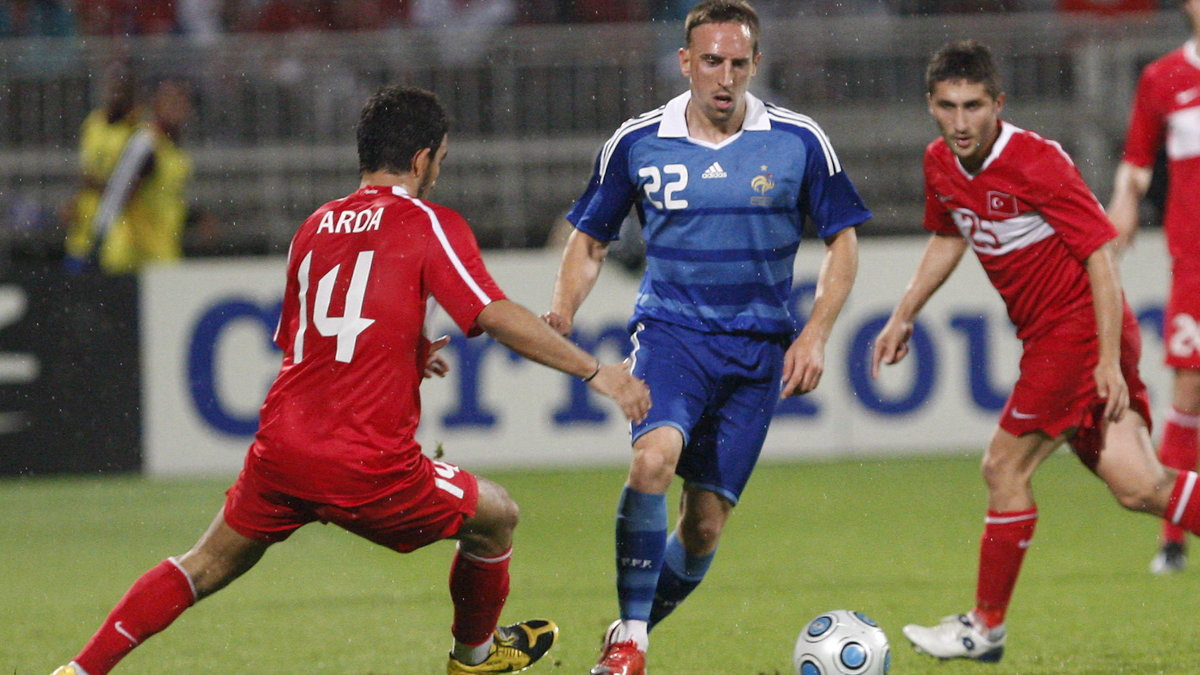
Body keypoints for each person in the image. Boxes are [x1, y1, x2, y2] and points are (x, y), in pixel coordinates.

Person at [49, 85, 651, 675]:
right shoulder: (426, 221)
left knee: (201, 565)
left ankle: (80, 669)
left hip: (282, 449)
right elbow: (492, 314)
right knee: (496, 515)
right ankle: (475, 658)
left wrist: (407, 352)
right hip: (365, 462)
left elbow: (310, 341)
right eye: (439, 159)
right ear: (422, 159)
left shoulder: (314, 227)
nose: (438, 171)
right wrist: (595, 369)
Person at [543, 2, 870, 673]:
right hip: (673, 337)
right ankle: (633, 641)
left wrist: (815, 333)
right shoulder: (638, 142)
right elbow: (590, 240)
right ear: (686, 62)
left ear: (755, 64)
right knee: (652, 459)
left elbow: (843, 240)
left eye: (739, 63)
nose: (725, 76)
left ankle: (628, 624)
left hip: (756, 354)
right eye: (712, 61)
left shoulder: (798, 140)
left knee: (703, 526)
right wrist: (562, 308)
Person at [872, 39, 1200, 664]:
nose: (962, 121)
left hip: (1077, 333)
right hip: (1053, 337)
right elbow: (948, 236)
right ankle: (985, 626)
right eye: (948, 106)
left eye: (974, 106)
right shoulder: (940, 163)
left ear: (998, 102)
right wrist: (904, 313)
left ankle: (984, 626)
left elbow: (1099, 254)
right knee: (1141, 486)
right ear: (931, 106)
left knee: (1004, 468)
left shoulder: (1036, 161)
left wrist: (1105, 359)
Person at [1108, 0, 1200, 575]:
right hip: (1196, 263)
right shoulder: (1163, 77)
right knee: (1188, 393)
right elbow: (1137, 162)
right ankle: (1173, 539)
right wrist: (1124, 201)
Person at [66, 77, 195, 275]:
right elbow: (118, 193)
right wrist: (97, 243)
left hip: (162, 251)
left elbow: (165, 200)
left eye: (181, 102)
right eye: (170, 101)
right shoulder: (146, 144)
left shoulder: (172, 145)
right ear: (156, 105)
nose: (176, 108)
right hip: (134, 256)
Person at [64, 61, 139, 273]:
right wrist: (74, 200)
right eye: (113, 86)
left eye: (122, 88)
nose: (116, 92)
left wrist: (97, 183)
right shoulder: (93, 123)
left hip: (118, 228)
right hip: (85, 224)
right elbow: (85, 169)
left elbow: (132, 185)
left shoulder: (136, 130)